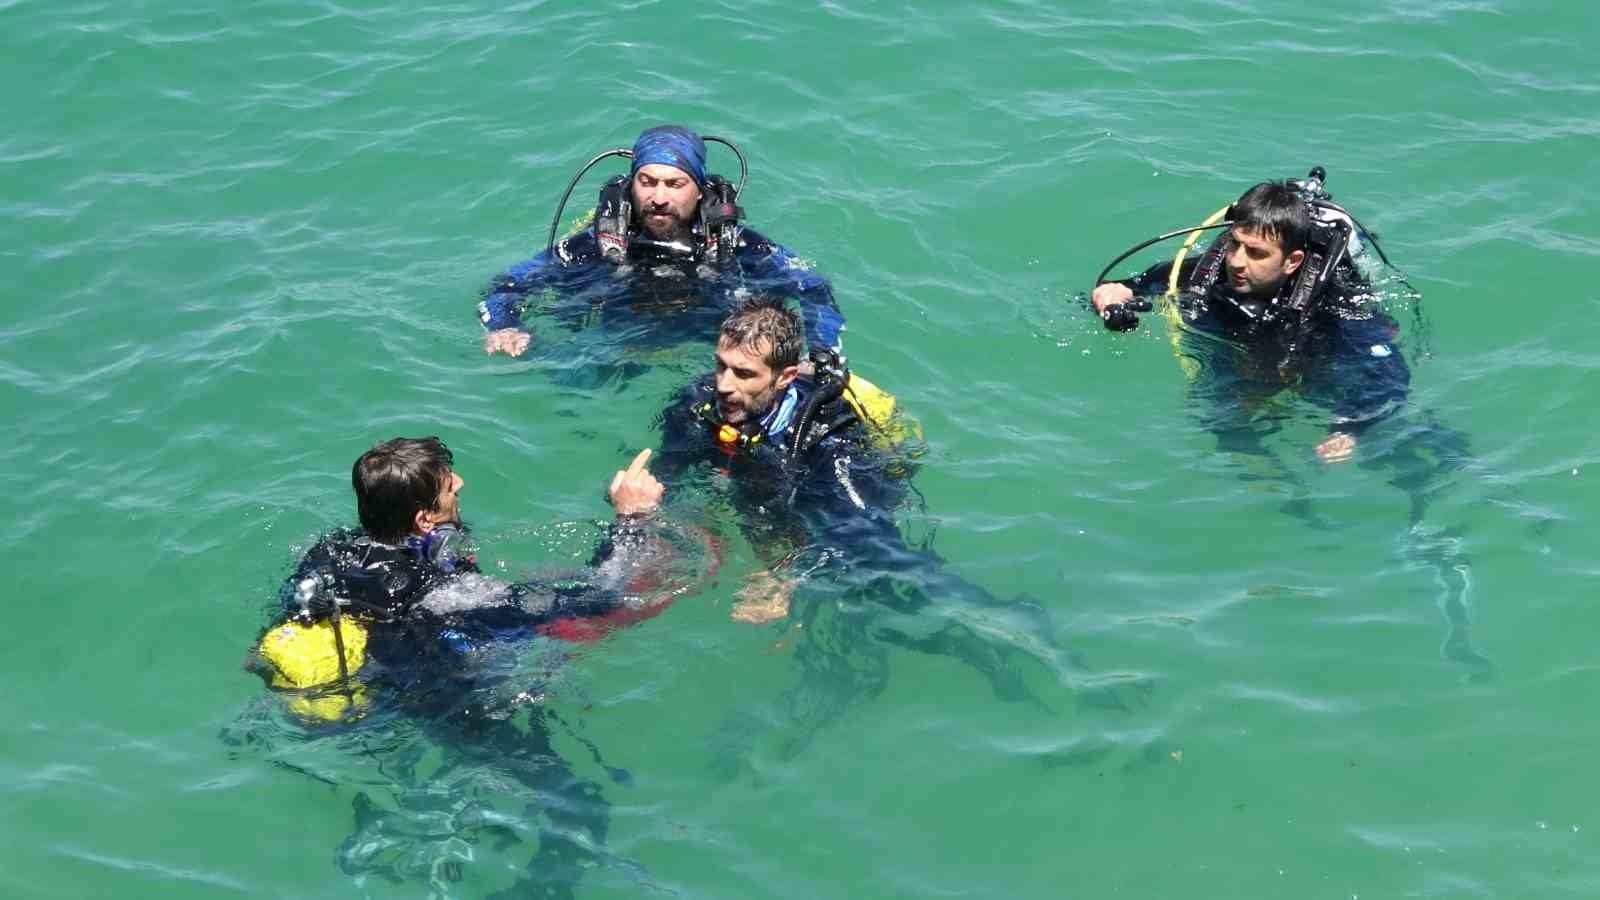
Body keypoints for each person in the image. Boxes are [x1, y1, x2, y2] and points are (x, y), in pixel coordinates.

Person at [246, 436, 700, 897]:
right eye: (449, 486)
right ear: (423, 520)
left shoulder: (330, 552)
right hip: (442, 703)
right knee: (580, 801)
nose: (460, 483)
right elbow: (601, 594)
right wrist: (630, 518)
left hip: (371, 685)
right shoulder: (446, 593)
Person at [650, 298, 1091, 765]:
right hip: (768, 491)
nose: (724, 384)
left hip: (845, 502)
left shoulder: (830, 440)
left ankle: (1014, 631)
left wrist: (788, 575)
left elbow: (860, 534)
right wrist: (642, 506)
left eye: (744, 374)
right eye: (721, 365)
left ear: (784, 378)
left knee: (890, 584)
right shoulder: (700, 404)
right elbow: (670, 471)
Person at [1090, 177, 1410, 464]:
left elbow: (1389, 377)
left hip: (1313, 354)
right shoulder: (1209, 271)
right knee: (1222, 417)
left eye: (1256, 253)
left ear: (1292, 261)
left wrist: (1348, 429)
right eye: (1235, 244)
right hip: (1240, 350)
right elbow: (1124, 287)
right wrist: (1110, 300)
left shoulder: (1335, 304)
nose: (1237, 262)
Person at [478, 125, 845, 364]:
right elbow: (506, 286)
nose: (658, 198)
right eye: (647, 182)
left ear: (699, 191)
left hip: (712, 347)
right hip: (618, 340)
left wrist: (821, 353)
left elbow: (814, 287)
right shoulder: (594, 245)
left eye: (674, 184)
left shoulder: (738, 246)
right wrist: (504, 325)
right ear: (631, 185)